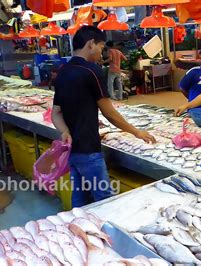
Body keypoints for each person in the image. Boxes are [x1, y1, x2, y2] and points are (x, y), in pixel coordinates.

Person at [51, 26, 156, 208]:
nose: (102, 52)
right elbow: (110, 113)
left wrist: (66, 132)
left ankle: (78, 231)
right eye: (100, 47)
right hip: (89, 150)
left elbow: (55, 114)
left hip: (73, 151)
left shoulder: (63, 71)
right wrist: (136, 132)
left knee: (80, 198)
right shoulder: (92, 71)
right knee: (105, 200)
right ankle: (106, 235)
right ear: (91, 44)